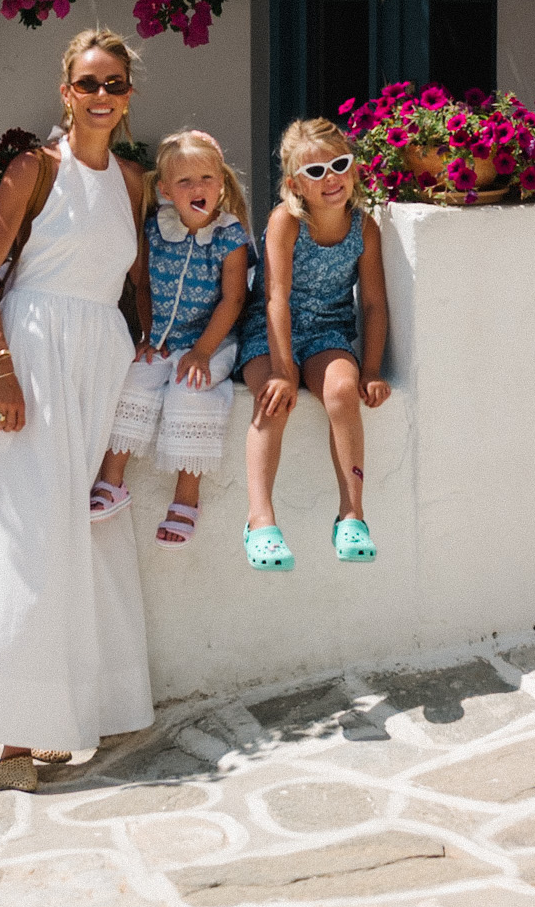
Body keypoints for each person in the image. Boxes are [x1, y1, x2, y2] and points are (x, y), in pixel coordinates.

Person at [0, 28, 154, 792]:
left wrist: (157, 353)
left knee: (86, 531)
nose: (101, 96)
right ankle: (16, 738)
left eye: (114, 84)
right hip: (30, 352)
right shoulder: (37, 167)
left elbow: (141, 282)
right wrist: (2, 370)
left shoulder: (133, 181)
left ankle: (83, 710)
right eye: (88, 83)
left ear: (128, 96)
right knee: (23, 535)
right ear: (66, 92)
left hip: (101, 361)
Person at [237, 116, 391, 571]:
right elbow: (275, 299)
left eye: (340, 165)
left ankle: (352, 515)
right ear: (295, 184)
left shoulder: (364, 229)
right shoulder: (286, 221)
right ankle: (260, 520)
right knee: (272, 400)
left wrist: (373, 369)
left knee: (343, 393)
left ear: (355, 168)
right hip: (269, 333)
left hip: (327, 333)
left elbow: (375, 306)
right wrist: (283, 371)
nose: (331, 179)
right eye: (316, 172)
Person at [90, 130, 250, 546]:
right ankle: (112, 481)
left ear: (222, 183)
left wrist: (201, 352)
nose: (197, 188)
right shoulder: (156, 230)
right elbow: (142, 285)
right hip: (164, 336)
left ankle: (187, 497)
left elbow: (233, 300)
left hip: (211, 341)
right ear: (165, 191)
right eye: (184, 182)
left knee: (189, 390)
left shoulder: (230, 237)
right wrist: (148, 333)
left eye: (206, 179)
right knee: (134, 379)